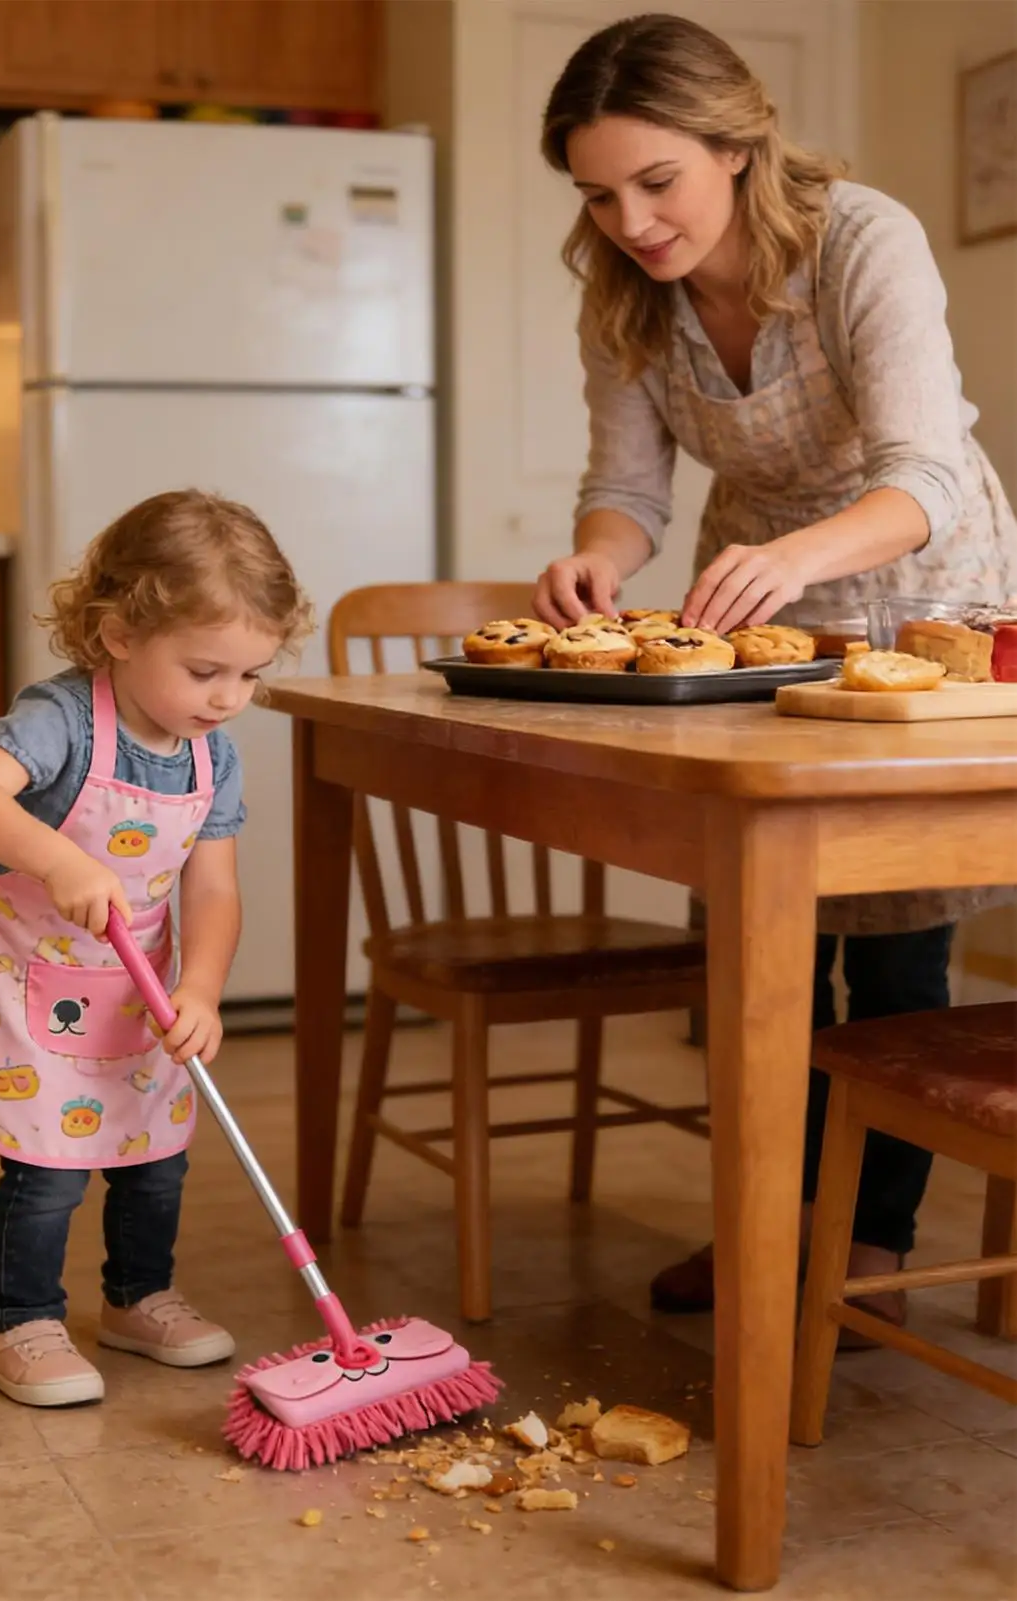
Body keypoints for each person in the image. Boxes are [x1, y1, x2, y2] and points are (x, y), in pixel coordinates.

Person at [532, 14, 1017, 1333]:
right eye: (597, 192)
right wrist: (594, 556)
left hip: (918, 579)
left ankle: (869, 1240)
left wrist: (791, 552)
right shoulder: (623, 287)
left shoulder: (863, 239)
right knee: (761, 929)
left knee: (894, 927)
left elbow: (917, 471)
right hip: (760, 587)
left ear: (737, 146)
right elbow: (627, 486)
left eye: (655, 182)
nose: (630, 219)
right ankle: (770, 1222)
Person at [0, 489, 312, 1405]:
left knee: (152, 1153)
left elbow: (213, 888)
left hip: (141, 993)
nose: (227, 698)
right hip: (31, 977)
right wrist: (57, 858)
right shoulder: (60, 718)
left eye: (249, 676)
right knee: (49, 1164)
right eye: (206, 669)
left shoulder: (215, 754)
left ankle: (138, 1297)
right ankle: (19, 1322)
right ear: (120, 632)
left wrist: (203, 990)